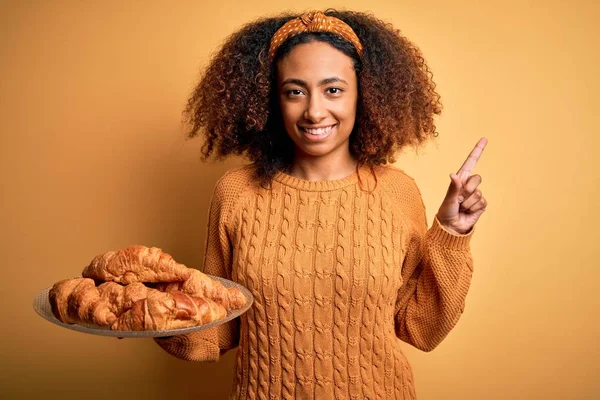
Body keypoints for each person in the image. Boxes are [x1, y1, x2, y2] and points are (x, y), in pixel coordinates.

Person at [154, 9, 488, 400]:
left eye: (333, 89)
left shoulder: (397, 193)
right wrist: (149, 308)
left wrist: (452, 234)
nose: (314, 111)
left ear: (365, 94)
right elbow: (217, 330)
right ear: (271, 100)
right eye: (295, 91)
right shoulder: (236, 192)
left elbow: (421, 328)